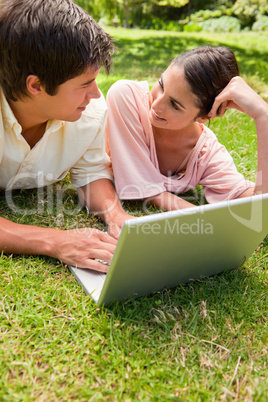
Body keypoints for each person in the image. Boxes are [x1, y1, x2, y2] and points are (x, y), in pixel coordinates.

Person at [0, 0, 132, 273]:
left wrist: (115, 215)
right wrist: (55, 241)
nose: (96, 94)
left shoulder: (90, 114)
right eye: (85, 84)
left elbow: (91, 173)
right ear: (35, 85)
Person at [106, 46, 268, 211]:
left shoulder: (204, 154)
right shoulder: (126, 97)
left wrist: (263, 116)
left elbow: (259, 209)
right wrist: (202, 217)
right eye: (161, 85)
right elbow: (143, 188)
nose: (156, 105)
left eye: (175, 105)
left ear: (203, 118)